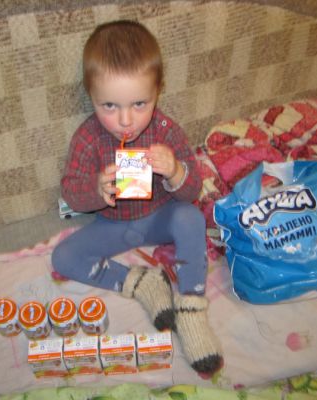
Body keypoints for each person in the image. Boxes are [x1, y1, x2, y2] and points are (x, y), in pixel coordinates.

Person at [52, 20, 223, 375]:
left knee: (190, 217)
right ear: (91, 96)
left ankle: (191, 307)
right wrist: (96, 190)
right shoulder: (87, 138)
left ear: (158, 91)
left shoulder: (166, 131)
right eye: (109, 105)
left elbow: (192, 191)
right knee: (63, 256)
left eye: (140, 104)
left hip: (160, 216)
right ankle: (142, 283)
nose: (125, 120)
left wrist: (174, 170)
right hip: (113, 226)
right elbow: (70, 193)